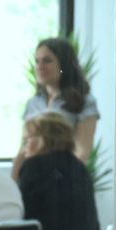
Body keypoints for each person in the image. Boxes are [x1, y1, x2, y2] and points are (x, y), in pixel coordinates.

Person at [20, 37, 99, 167]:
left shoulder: (84, 102)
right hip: (32, 173)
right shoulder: (33, 103)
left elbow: (82, 152)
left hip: (65, 174)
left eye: (47, 61)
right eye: (37, 61)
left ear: (63, 66)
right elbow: (23, 150)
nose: (39, 67)